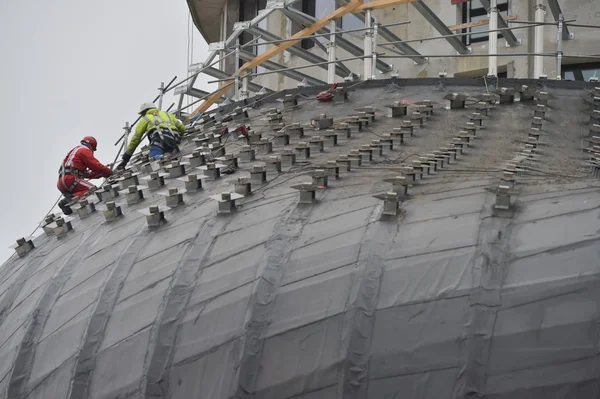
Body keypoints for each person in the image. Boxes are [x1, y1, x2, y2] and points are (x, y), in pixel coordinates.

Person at [118, 102, 186, 169]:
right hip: (175, 139)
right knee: (173, 154)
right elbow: (181, 127)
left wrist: (125, 159)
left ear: (144, 112)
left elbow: (135, 139)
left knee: (154, 158)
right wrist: (181, 137)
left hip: (160, 140)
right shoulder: (167, 114)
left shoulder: (145, 119)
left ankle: (162, 168)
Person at [57, 136, 113, 215]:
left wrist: (101, 173)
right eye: (93, 150)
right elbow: (95, 166)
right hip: (70, 180)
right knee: (93, 190)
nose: (92, 152)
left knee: (80, 196)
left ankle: (70, 205)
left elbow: (86, 174)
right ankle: (68, 200)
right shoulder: (84, 151)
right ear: (90, 146)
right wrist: (110, 172)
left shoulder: (73, 152)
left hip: (62, 182)